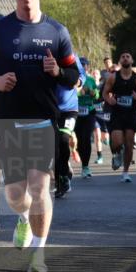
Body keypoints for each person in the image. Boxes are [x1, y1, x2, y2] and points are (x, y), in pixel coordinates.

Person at [0, 0, 79, 272]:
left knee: (40, 186)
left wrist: (57, 72)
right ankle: (23, 218)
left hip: (42, 122)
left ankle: (39, 253)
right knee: (16, 196)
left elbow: (73, 77)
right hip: (7, 121)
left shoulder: (57, 32)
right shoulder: (0, 30)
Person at [101, 51, 136, 183]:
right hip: (117, 113)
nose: (125, 58)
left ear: (132, 61)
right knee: (117, 143)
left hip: (131, 114)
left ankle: (125, 172)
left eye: (128, 57)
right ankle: (117, 154)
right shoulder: (113, 77)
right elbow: (105, 93)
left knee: (129, 143)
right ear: (120, 61)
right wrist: (109, 101)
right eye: (123, 57)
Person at [53, 55, 85, 198]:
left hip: (69, 109)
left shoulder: (68, 53)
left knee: (63, 140)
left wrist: (78, 82)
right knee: (53, 147)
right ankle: (61, 173)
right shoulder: (40, 50)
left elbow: (81, 75)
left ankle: (63, 176)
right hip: (49, 108)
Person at [75, 59, 100, 178]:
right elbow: (70, 94)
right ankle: (83, 163)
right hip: (76, 113)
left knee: (86, 137)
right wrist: (79, 92)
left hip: (89, 112)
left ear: (87, 68)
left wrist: (92, 92)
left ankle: (86, 166)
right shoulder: (74, 79)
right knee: (80, 140)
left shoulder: (90, 80)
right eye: (81, 66)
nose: (83, 68)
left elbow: (97, 94)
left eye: (85, 66)